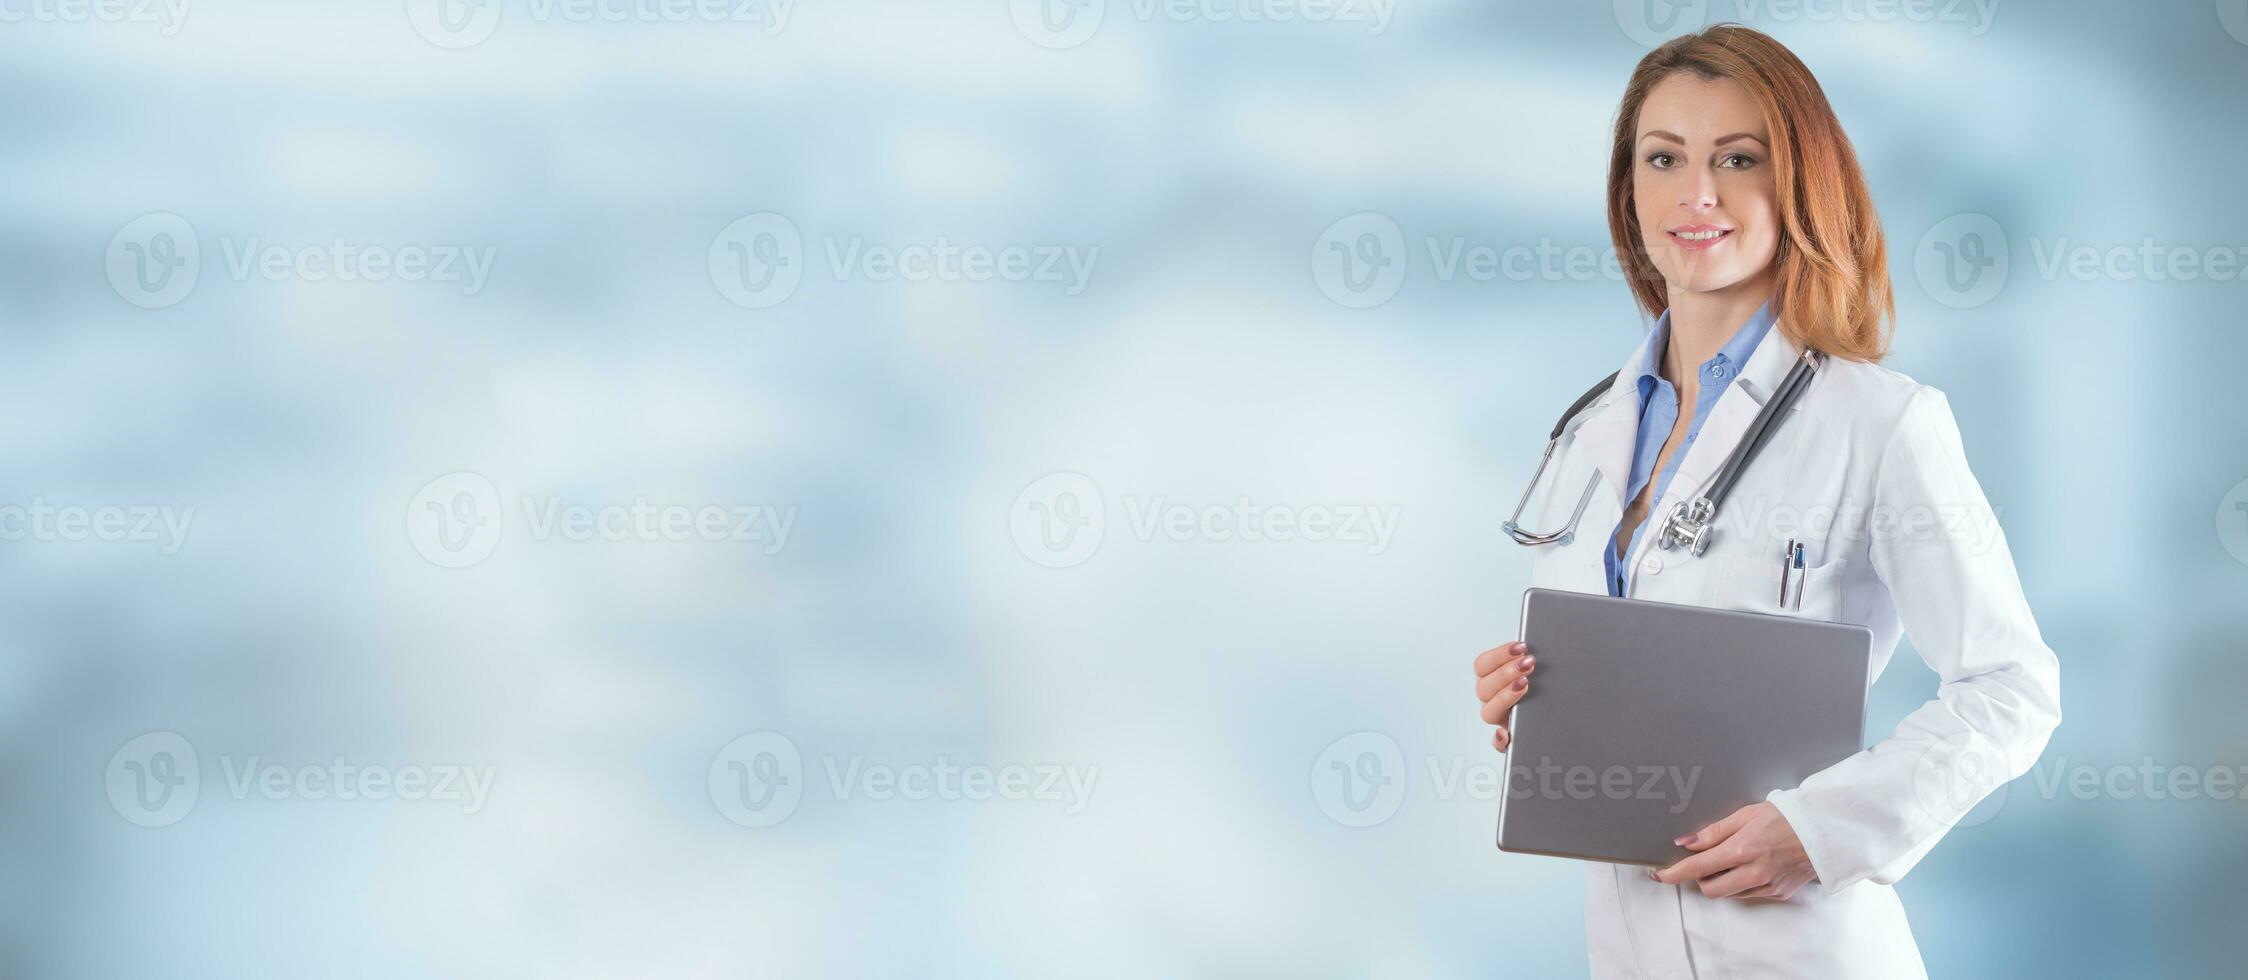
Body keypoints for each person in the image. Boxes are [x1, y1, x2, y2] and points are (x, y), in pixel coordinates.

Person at [1470, 25, 2061, 978]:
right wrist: (1532, 702)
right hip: (1626, 950)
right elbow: (1644, 674)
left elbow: (2011, 690)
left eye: (1736, 160)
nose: (1695, 194)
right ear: (1630, 188)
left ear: (1799, 184)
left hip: (1803, 949)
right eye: (1664, 158)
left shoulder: (1881, 423)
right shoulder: (1595, 432)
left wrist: (1817, 831)